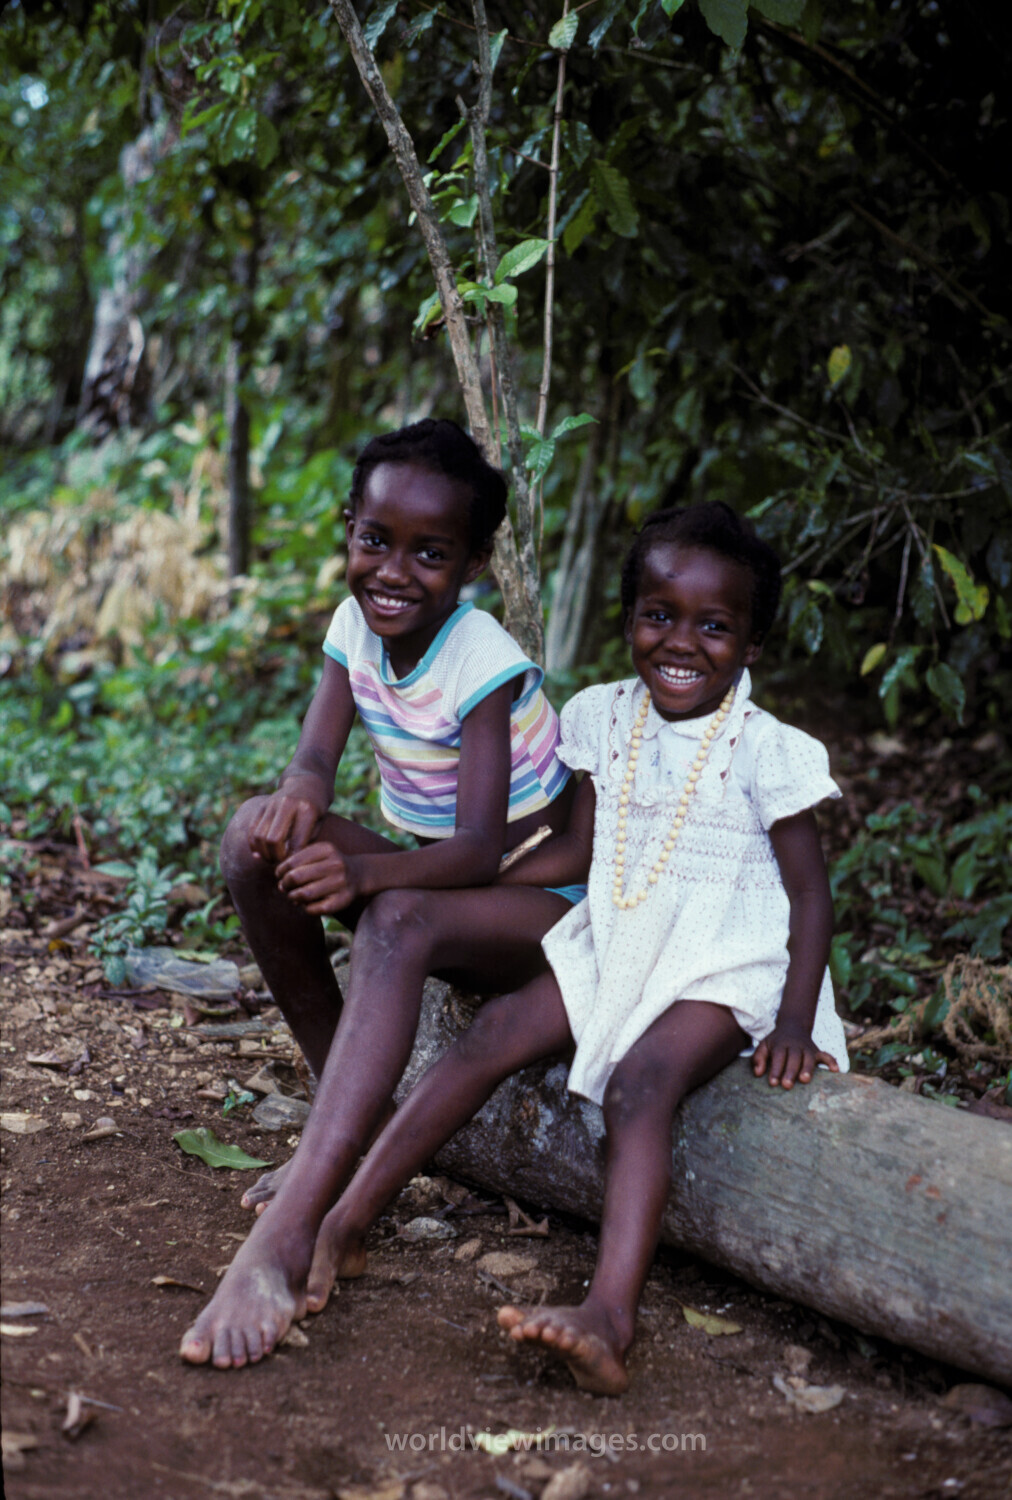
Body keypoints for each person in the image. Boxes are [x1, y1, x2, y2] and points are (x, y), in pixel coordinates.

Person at [285, 500, 850, 1395]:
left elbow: (811, 897)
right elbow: (578, 850)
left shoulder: (768, 750)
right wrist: (473, 889)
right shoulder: (603, 715)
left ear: (752, 645)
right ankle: (347, 1218)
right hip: (620, 931)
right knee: (492, 1033)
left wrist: (792, 1020)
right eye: (658, 614)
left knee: (641, 1086)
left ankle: (610, 1317)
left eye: (713, 627)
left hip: (725, 959)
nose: (681, 642)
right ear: (628, 621)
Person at [179, 418, 579, 1367]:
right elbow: (316, 757)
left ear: (473, 564)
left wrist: (363, 873)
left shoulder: (480, 660)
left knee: (394, 917)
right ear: (349, 529)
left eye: (430, 554)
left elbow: (479, 846)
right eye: (375, 541)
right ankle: (339, 1126)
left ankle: (289, 1233)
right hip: (453, 887)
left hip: (543, 906)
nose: (394, 572)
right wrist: (297, 800)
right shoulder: (353, 625)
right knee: (251, 840)